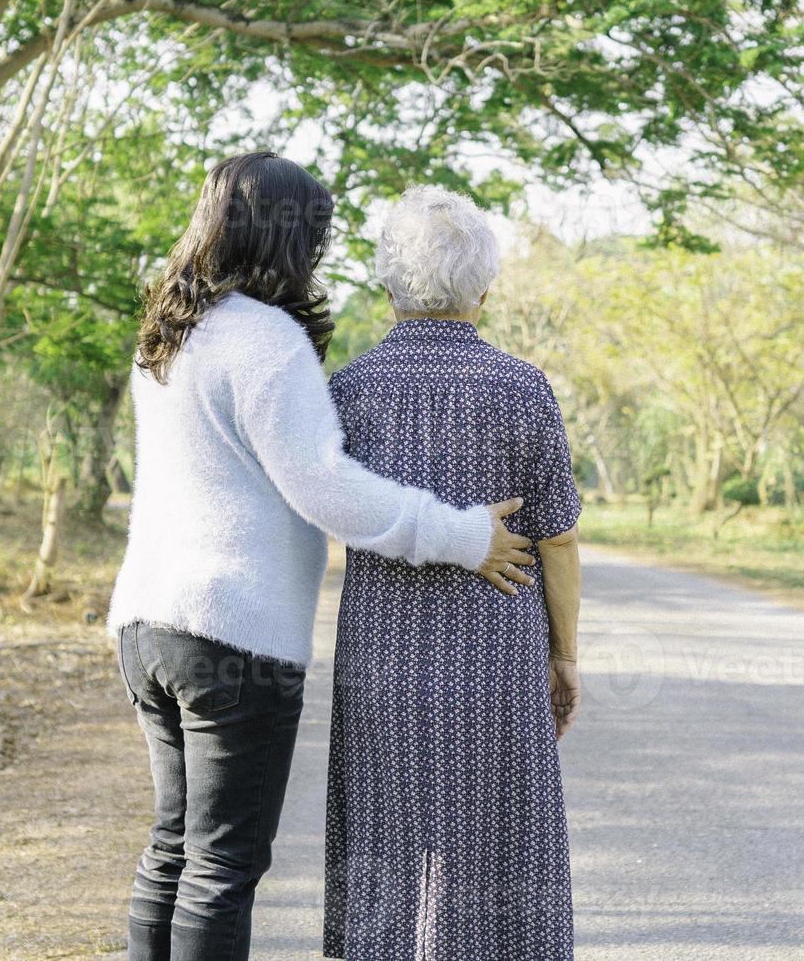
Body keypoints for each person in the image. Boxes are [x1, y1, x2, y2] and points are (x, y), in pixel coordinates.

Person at [108, 152, 536, 961]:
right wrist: (461, 535)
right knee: (221, 867)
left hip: (146, 625)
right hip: (232, 635)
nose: (321, 255)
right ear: (286, 237)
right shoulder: (265, 340)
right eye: (316, 236)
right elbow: (325, 487)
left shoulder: (168, 333)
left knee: (173, 849)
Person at [323, 186, 582, 960]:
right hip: (497, 662)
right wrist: (564, 657)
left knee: (391, 836)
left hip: (381, 661)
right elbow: (558, 540)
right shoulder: (523, 388)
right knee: (502, 834)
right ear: (485, 288)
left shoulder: (349, 390)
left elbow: (329, 511)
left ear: (387, 286)